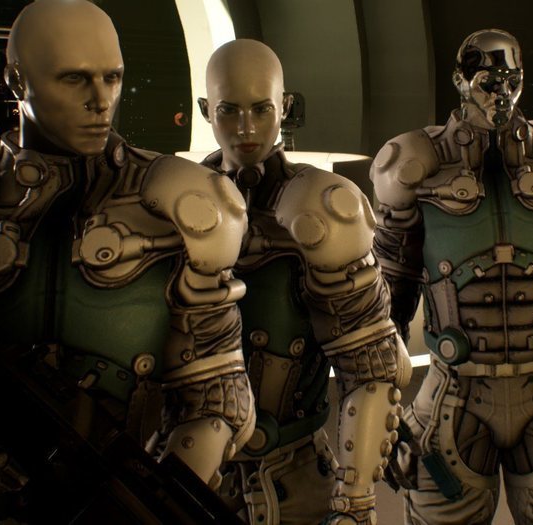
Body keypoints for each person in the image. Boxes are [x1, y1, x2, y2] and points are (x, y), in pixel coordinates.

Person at [0, 1, 253, 521]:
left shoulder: (173, 203)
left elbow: (219, 390)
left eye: (112, 77)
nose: (102, 101)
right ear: (16, 80)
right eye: (75, 79)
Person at [372, 28, 533, 525]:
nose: (501, 94)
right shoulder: (416, 165)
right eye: (487, 82)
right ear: (460, 80)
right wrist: (379, 406)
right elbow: (390, 300)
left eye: (512, 81)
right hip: (453, 397)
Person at [197, 39, 410, 525]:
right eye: (229, 111)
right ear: (207, 110)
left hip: (294, 473)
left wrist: (355, 501)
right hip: (187, 470)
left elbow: (371, 366)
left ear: (285, 107)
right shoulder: (174, 206)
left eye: (261, 109)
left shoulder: (320, 209)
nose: (246, 128)